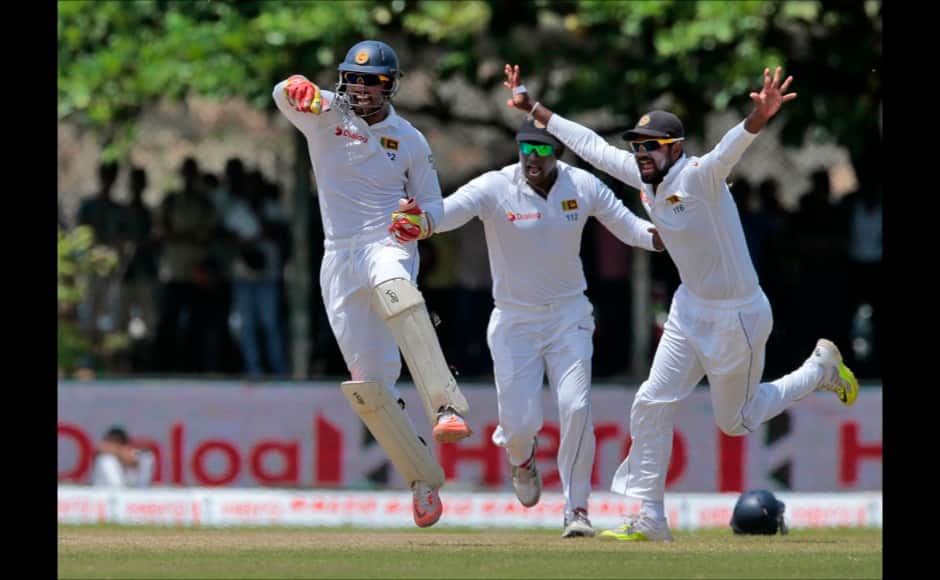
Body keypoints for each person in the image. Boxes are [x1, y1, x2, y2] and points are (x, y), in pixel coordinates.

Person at [503, 64, 860, 541]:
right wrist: (533, 109)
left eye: (650, 146)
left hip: (738, 315)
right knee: (650, 402)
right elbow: (589, 143)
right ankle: (648, 516)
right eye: (637, 146)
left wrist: (759, 117)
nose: (640, 154)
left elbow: (728, 150)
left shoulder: (699, 177)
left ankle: (818, 370)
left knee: (737, 421)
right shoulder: (640, 174)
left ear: (674, 148)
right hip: (689, 309)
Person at [392, 118, 664, 537]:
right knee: (520, 426)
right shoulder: (497, 186)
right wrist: (421, 221)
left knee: (575, 408)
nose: (532, 159)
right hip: (513, 321)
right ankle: (522, 459)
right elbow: (449, 211)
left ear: (559, 152)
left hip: (568, 316)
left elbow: (630, 228)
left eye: (541, 151)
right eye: (526, 150)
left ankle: (577, 510)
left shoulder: (583, 186)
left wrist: (668, 234)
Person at [272, 40, 472, 528]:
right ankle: (423, 481)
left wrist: (419, 223)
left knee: (396, 291)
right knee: (370, 386)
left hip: (387, 241)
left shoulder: (409, 139)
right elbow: (283, 95)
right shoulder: (322, 114)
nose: (360, 89)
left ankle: (446, 406)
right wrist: (293, 86)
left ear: (389, 85)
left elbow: (434, 206)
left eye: (372, 81)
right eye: (353, 79)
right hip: (338, 256)